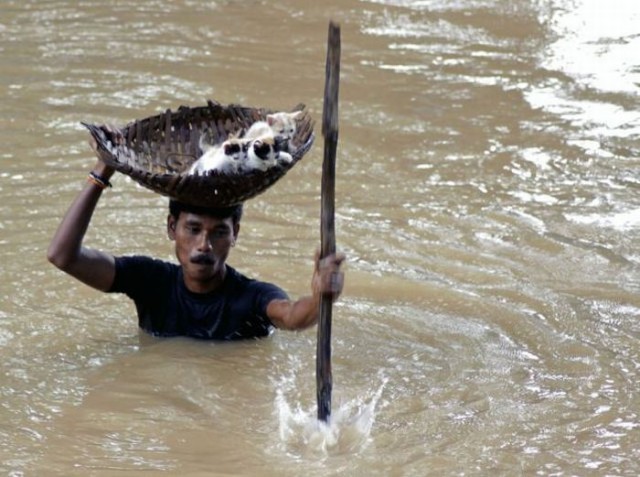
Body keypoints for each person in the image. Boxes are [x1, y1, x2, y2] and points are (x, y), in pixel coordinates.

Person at [47, 128, 345, 340]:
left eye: (218, 233)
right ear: (171, 227)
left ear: (235, 234)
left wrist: (322, 298)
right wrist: (102, 170)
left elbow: (292, 317)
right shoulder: (150, 282)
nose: (204, 245)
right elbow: (62, 256)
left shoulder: (253, 297)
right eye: (193, 229)